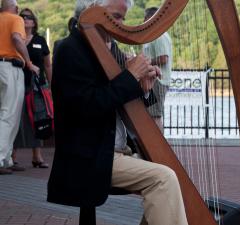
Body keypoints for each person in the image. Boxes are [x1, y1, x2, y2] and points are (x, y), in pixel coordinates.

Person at [47, 0, 188, 224]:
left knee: (170, 175)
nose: (119, 24)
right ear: (91, 11)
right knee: (163, 179)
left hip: (115, 150)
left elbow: (123, 100)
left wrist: (143, 89)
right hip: (90, 154)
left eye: (121, 18)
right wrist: (130, 77)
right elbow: (88, 107)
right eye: (115, 17)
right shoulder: (69, 50)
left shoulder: (111, 49)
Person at [0, 0, 39, 175]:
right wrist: (29, 63)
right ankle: (1, 159)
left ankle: (7, 158)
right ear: (15, 8)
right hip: (10, 68)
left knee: (5, 114)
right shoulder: (15, 19)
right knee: (10, 115)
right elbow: (16, 38)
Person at [12, 8, 52, 169]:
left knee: (39, 119)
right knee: (15, 119)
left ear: (34, 22)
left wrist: (51, 85)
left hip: (37, 86)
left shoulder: (40, 40)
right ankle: (11, 155)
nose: (25, 19)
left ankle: (37, 156)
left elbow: (48, 65)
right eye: (22, 17)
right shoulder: (14, 39)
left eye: (29, 17)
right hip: (17, 83)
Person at [143, 7, 173, 132]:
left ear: (151, 19)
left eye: (145, 19)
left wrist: (146, 62)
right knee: (152, 115)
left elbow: (164, 58)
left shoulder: (159, 35)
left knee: (155, 115)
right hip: (153, 80)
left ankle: (158, 148)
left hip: (158, 81)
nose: (143, 21)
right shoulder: (154, 35)